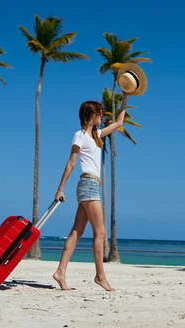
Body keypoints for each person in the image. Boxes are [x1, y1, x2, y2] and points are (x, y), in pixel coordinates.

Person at [52, 91, 128, 291]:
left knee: (77, 232)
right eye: (99, 113)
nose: (101, 116)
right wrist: (60, 189)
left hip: (92, 185)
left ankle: (60, 272)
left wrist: (126, 95)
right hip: (88, 185)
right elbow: (71, 163)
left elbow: (119, 123)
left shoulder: (97, 135)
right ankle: (100, 276)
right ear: (89, 115)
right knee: (100, 232)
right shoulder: (80, 135)